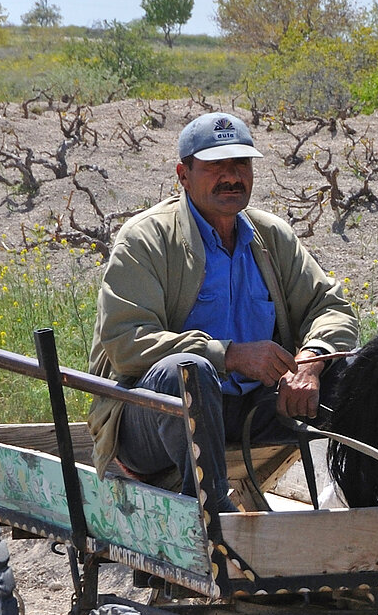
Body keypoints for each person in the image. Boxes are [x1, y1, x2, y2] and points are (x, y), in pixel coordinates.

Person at [86, 111, 359, 512]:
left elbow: (329, 305)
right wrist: (229, 355)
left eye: (241, 164)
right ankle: (215, 516)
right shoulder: (146, 239)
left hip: (252, 412)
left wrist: (311, 362)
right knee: (187, 373)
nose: (231, 176)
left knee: (355, 374)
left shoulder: (270, 236)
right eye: (216, 166)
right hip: (149, 423)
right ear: (183, 174)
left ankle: (368, 501)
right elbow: (127, 344)